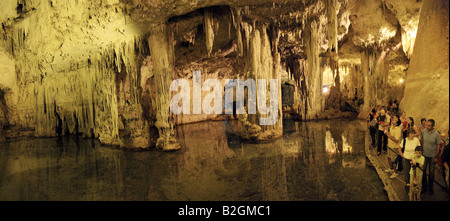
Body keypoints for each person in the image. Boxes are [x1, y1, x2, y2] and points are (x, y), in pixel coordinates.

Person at [420, 119, 441, 195]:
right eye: (426, 125)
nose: (427, 126)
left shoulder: (436, 134)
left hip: (432, 156)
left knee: (431, 172)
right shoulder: (424, 131)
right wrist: (421, 149)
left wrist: (436, 156)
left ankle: (431, 187)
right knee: (423, 171)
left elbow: (438, 145)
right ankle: (424, 187)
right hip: (424, 155)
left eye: (429, 125)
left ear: (432, 126)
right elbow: (421, 139)